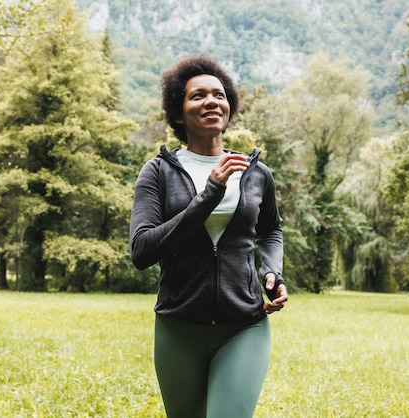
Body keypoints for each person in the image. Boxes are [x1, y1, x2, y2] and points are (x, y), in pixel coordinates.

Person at [129, 55, 288, 418]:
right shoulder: (157, 173)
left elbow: (270, 229)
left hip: (244, 324)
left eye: (219, 94)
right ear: (178, 110)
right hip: (178, 327)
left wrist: (272, 272)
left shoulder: (255, 172)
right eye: (198, 96)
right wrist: (208, 196)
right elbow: (141, 250)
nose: (211, 101)